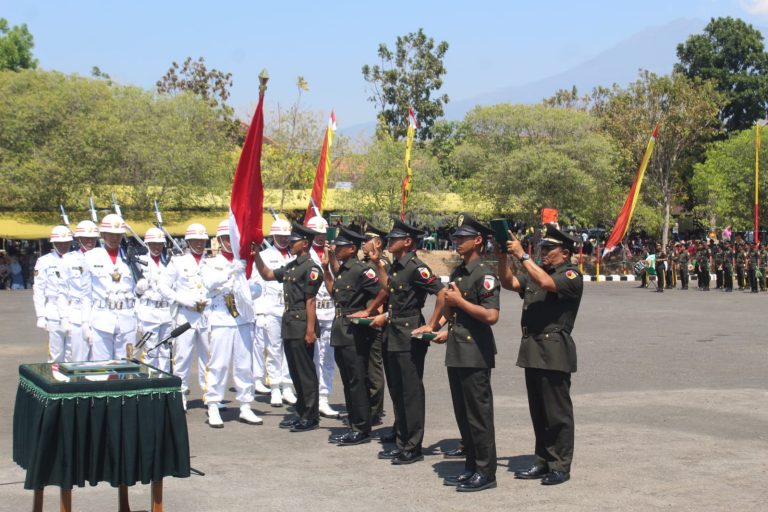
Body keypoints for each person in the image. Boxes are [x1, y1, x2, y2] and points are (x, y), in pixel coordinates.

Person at [498, 223, 583, 486]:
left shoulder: (570, 275)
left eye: (549, 248)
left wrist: (523, 255)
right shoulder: (537, 273)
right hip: (533, 348)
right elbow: (508, 282)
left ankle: (560, 465)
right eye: (542, 247)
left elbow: (546, 283)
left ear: (565, 253)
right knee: (539, 411)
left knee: (556, 412)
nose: (543, 252)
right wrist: (504, 255)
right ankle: (543, 459)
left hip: (554, 349)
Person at [369, 219, 446, 465]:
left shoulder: (416, 267)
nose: (389, 242)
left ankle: (413, 446)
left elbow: (442, 293)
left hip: (409, 332)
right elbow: (389, 288)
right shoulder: (396, 266)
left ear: (408, 241)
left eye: (394, 239)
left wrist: (433, 324)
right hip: (394, 331)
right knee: (398, 390)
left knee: (410, 391)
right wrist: (377, 263)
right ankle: (402, 440)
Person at [434, 214, 500, 492]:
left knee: (478, 413)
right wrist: (435, 326)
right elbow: (451, 310)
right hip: (457, 348)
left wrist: (459, 300)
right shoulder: (460, 272)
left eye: (463, 238)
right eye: (456, 238)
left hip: (475, 351)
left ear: (478, 240)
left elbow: (491, 315)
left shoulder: (484, 273)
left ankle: (486, 471)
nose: (457, 242)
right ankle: (472, 465)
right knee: (463, 413)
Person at [252, 221, 324, 433]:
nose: (290, 244)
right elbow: (267, 274)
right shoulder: (293, 266)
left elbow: (311, 301)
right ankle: (301, 411)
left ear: (304, 244)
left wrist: (310, 330)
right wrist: (256, 253)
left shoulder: (311, 268)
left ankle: (311, 415)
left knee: (305, 372)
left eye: (294, 241)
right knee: (294, 371)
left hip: (303, 323)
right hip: (290, 323)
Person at [323, 227, 388, 446]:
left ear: (351, 248)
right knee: (349, 380)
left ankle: (361, 427)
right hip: (341, 328)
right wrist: (326, 269)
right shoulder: (342, 270)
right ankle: (355, 423)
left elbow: (383, 290)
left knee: (357, 380)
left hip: (355, 331)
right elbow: (334, 294)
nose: (335, 248)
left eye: (340, 246)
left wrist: (369, 312)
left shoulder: (361, 270)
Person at [200, 220, 262, 428]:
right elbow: (209, 284)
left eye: (232, 239)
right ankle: (213, 404)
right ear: (219, 241)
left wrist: (242, 287)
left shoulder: (246, 262)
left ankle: (245, 404)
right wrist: (231, 274)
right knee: (218, 364)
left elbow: (257, 289)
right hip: (220, 319)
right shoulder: (210, 263)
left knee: (245, 365)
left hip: (242, 318)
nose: (229, 243)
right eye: (226, 239)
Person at [159, 223, 212, 410]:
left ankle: (210, 394)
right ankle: (180, 393)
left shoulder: (212, 262)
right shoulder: (178, 262)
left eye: (201, 241)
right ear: (188, 242)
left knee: (209, 356)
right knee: (183, 356)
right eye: (194, 241)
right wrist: (181, 299)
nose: (198, 244)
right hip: (186, 315)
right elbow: (163, 286)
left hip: (207, 315)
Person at [250, 218, 298, 407]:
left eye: (286, 236)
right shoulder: (265, 255)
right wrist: (259, 313)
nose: (284, 239)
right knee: (274, 349)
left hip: (291, 308)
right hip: (271, 308)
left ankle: (287, 385)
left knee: (290, 349)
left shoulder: (295, 255)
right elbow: (258, 284)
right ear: (273, 236)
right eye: (279, 236)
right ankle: (275, 388)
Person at [82, 214, 137, 360]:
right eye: (111, 235)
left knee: (127, 366)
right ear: (103, 235)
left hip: (126, 318)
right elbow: (86, 295)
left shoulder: (130, 257)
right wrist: (85, 323)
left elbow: (136, 291)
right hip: (101, 319)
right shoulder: (90, 257)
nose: (114, 238)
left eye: (118, 235)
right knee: (102, 367)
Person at [305, 215, 340, 418]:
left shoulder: (335, 252)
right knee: (311, 358)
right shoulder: (305, 254)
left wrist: (333, 256)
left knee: (328, 358)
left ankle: (324, 397)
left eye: (322, 233)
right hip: (312, 312)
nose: (319, 237)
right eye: (315, 234)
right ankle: (311, 397)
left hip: (331, 310)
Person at [135, 227, 173, 372]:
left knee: (165, 350)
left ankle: (164, 379)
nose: (156, 247)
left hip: (166, 311)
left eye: (159, 244)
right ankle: (151, 381)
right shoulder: (140, 261)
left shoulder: (169, 263)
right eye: (153, 244)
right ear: (147, 244)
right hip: (148, 311)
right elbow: (134, 290)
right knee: (150, 350)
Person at [61, 220, 100, 362]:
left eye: (93, 238)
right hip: (77, 314)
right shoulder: (68, 259)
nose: (90, 241)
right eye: (86, 238)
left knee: (100, 362)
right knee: (79, 360)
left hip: (99, 314)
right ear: (78, 240)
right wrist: (64, 318)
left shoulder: (103, 258)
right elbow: (62, 292)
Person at [32, 225, 72, 362]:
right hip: (54, 310)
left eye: (66, 242)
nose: (63, 245)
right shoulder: (44, 261)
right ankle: (55, 380)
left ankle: (71, 382)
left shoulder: (76, 260)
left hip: (73, 309)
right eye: (60, 243)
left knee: (72, 354)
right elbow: (38, 289)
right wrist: (41, 315)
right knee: (56, 353)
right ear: (53, 243)